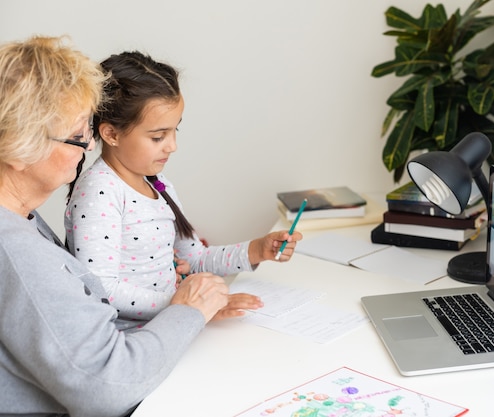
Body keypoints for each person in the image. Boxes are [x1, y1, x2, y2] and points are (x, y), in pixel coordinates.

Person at [0, 35, 293, 417]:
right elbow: (106, 386)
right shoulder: (18, 249)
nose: (88, 148)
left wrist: (198, 294)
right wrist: (184, 309)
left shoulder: (24, 220)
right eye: (76, 137)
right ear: (16, 148)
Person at [64, 50, 302, 329]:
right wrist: (185, 304)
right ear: (111, 134)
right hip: (130, 339)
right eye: (158, 136)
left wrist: (256, 250)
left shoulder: (157, 183)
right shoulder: (100, 192)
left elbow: (195, 259)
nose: (172, 145)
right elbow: (102, 287)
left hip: (170, 325)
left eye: (175, 130)